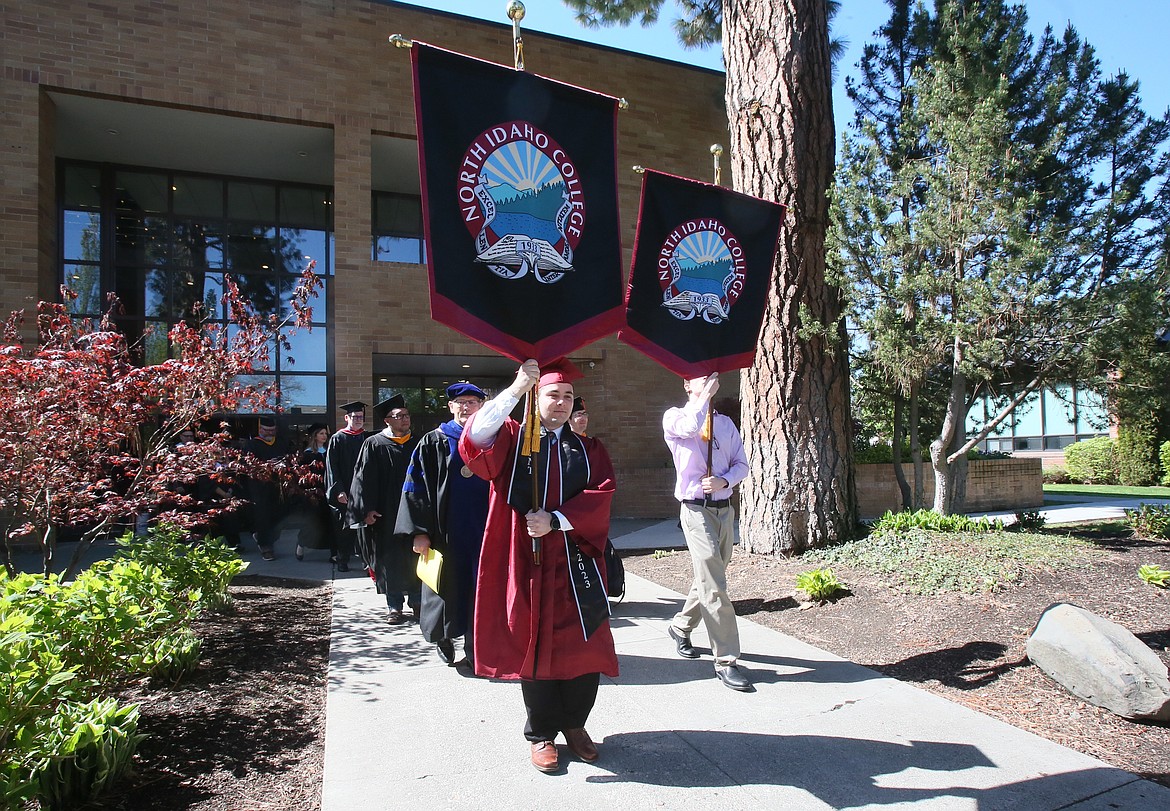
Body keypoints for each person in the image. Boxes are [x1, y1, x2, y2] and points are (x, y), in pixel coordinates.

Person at [460, 358, 617, 774]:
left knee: (585, 645)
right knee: (534, 643)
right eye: (553, 394)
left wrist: (557, 520)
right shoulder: (512, 437)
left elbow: (602, 495)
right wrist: (514, 389)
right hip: (524, 559)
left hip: (574, 561)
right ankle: (541, 733)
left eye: (568, 396)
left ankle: (576, 725)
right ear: (536, 398)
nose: (562, 402)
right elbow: (474, 438)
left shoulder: (588, 448)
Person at [662, 372, 752, 692]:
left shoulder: (726, 424)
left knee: (709, 577)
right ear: (687, 384)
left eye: (712, 376)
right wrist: (702, 400)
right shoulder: (674, 417)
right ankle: (726, 659)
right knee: (714, 584)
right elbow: (689, 427)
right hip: (695, 510)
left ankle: (681, 626)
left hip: (724, 510)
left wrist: (724, 481)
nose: (709, 380)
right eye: (701, 377)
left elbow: (742, 464)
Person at [396, 382, 490, 666]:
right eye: (460, 403)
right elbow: (416, 487)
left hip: (483, 531)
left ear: (481, 407)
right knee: (443, 587)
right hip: (443, 532)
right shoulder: (433, 441)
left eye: (472, 402)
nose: (466, 407)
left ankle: (477, 646)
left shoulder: (490, 440)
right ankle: (444, 638)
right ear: (450, 407)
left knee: (481, 589)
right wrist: (420, 533)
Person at [349, 394, 419, 624]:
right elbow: (362, 479)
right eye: (399, 416)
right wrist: (366, 509)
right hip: (385, 513)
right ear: (387, 420)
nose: (405, 419)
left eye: (407, 415)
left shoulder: (419, 442)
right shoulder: (374, 444)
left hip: (414, 510)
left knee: (415, 557)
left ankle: (418, 603)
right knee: (390, 559)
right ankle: (394, 606)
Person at [325, 401, 368, 572]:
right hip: (345, 490)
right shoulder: (338, 438)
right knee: (344, 527)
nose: (358, 420)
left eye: (361, 417)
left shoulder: (367, 438)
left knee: (365, 528)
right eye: (355, 417)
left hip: (364, 490)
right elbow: (332, 467)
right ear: (346, 417)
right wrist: (339, 490)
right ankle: (342, 559)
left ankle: (367, 561)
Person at [240, 415, 289, 561]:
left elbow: (288, 459)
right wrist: (266, 466)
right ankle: (266, 547)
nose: (269, 433)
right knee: (262, 516)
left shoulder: (280, 443)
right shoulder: (251, 445)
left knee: (279, 515)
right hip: (259, 487)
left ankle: (265, 538)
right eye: (266, 430)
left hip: (277, 486)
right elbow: (247, 467)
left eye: (272, 430)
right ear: (260, 429)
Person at [294, 423, 333, 562]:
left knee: (328, 522)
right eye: (321, 433)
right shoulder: (308, 455)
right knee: (313, 522)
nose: (324, 436)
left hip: (328, 491)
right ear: (315, 435)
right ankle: (301, 543)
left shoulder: (328, 451)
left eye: (325, 433)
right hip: (313, 494)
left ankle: (332, 552)